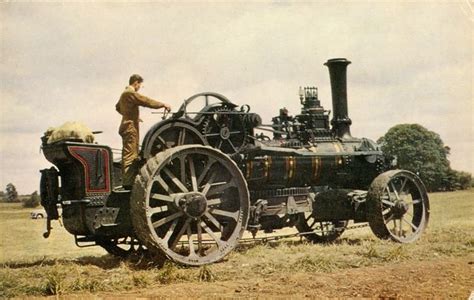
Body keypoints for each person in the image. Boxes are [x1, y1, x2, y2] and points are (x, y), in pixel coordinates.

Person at [115, 74, 171, 189]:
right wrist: (162, 104)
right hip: (130, 128)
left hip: (126, 125)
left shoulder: (123, 95)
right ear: (136, 83)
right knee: (131, 155)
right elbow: (145, 101)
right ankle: (128, 184)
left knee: (128, 152)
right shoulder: (130, 93)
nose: (139, 87)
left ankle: (127, 182)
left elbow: (117, 107)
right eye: (139, 85)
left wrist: (131, 116)